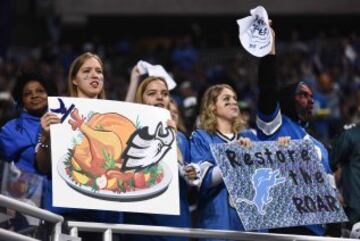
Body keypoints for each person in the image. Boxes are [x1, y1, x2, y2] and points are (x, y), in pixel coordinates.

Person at [35, 52, 122, 240]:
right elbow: (43, 166)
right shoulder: (57, 114)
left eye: (99, 71)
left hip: (106, 218)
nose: (95, 75)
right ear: (74, 79)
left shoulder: (117, 115)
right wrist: (45, 136)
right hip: (67, 216)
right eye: (87, 71)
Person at [255, 25, 331, 236]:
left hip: (319, 229)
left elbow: (330, 189)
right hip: (286, 225)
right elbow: (268, 88)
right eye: (303, 94)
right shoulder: (275, 126)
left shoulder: (318, 146)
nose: (311, 99)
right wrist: (269, 50)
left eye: (311, 95)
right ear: (288, 98)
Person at [123, 65, 194, 241]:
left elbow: (191, 178)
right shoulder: (130, 132)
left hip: (174, 224)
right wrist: (134, 82)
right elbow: (123, 117)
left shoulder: (182, 139)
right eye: (152, 93)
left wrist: (173, 139)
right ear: (141, 99)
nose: (160, 97)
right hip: (139, 222)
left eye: (164, 93)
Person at [189, 84, 257, 241]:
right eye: (226, 99)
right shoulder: (202, 137)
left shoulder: (250, 136)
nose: (233, 102)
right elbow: (203, 180)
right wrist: (233, 155)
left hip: (252, 225)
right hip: (218, 222)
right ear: (212, 107)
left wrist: (281, 144)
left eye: (235, 98)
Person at [0, 72, 57, 232]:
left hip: (59, 205)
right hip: (26, 204)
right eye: (27, 94)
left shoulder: (64, 122)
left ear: (49, 94)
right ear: (21, 100)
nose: (34, 96)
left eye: (40, 91)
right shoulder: (11, 129)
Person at [330, 123, 360, 233]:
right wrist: (335, 193)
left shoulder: (350, 135)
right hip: (355, 213)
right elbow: (329, 166)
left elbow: (329, 163)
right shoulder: (350, 135)